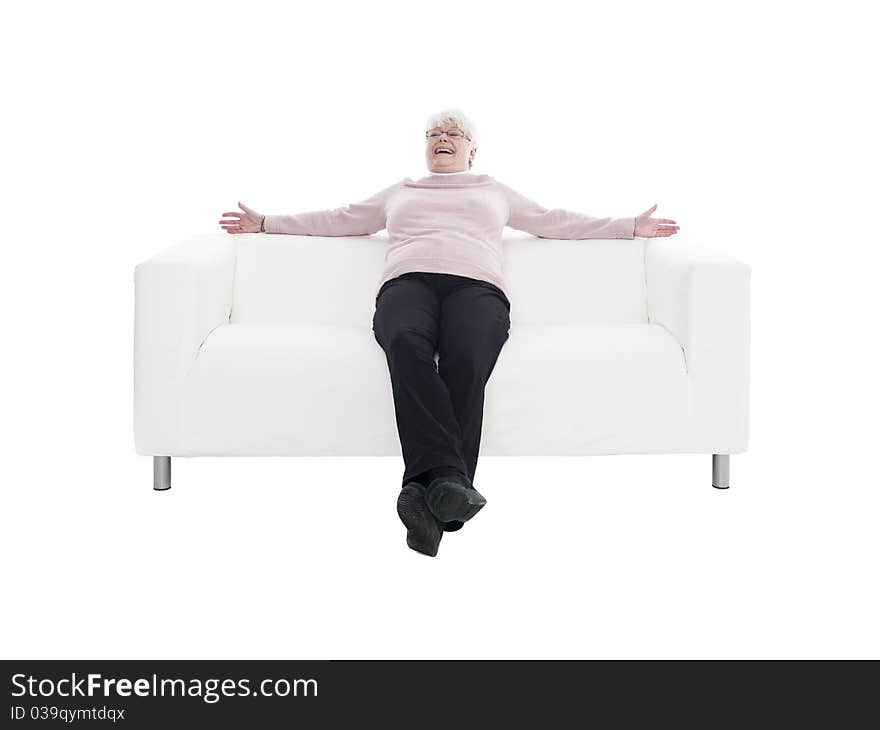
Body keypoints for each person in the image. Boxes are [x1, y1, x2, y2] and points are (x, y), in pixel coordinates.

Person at [218, 108, 679, 557]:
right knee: (403, 341)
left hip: (477, 288)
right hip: (408, 283)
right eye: (434, 133)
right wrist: (266, 223)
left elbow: (552, 219)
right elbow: (342, 218)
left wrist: (628, 227)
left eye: (454, 133)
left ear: (471, 151)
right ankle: (450, 490)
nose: (442, 138)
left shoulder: (493, 190)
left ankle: (421, 491)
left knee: (468, 355)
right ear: (425, 147)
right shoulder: (401, 190)